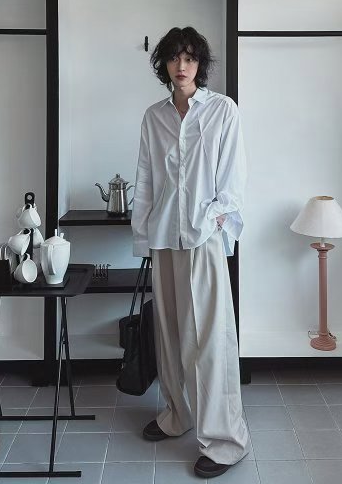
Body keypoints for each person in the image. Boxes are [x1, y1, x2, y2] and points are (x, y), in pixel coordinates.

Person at [131, 26, 249, 479]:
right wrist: (143, 237)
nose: (182, 66)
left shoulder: (222, 110)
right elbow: (145, 179)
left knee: (209, 341)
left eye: (190, 58)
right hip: (163, 237)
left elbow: (233, 179)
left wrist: (212, 219)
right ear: (163, 64)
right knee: (169, 335)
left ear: (200, 64)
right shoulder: (153, 117)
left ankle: (225, 441)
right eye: (174, 58)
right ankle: (176, 415)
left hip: (203, 238)